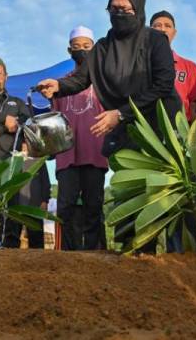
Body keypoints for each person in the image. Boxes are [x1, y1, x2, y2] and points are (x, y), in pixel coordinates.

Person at [37, 0, 181, 158]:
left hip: (161, 126)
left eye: (126, 10)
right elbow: (81, 78)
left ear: (139, 9)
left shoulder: (155, 40)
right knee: (130, 182)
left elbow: (163, 85)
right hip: (127, 131)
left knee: (164, 183)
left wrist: (120, 113)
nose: (119, 14)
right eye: (114, 9)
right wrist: (58, 86)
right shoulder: (102, 48)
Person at [52, 26, 108, 250]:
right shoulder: (60, 84)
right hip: (67, 155)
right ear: (69, 50)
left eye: (86, 47)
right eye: (77, 47)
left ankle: (94, 253)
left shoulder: (104, 81)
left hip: (95, 152)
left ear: (94, 49)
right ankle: (68, 256)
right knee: (65, 206)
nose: (82, 51)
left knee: (94, 206)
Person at [150, 10, 196, 122]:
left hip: (179, 130)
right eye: (157, 26)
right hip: (146, 127)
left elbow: (194, 103)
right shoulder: (138, 63)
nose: (163, 29)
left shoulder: (190, 67)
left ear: (174, 32)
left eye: (168, 26)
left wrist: (192, 134)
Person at [0, 145, 51, 249]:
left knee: (36, 240)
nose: (25, 145)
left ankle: (38, 263)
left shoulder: (39, 161)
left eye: (28, 143)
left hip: (35, 206)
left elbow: (46, 182)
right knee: (11, 239)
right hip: (15, 206)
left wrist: (45, 200)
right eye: (23, 142)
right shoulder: (13, 160)